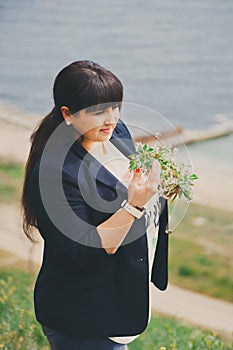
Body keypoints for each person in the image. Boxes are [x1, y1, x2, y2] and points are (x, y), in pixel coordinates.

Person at [21, 60, 169, 350]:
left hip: (119, 300)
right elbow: (81, 254)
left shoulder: (114, 131)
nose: (111, 119)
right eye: (98, 111)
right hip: (84, 317)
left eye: (115, 107)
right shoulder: (54, 173)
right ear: (67, 114)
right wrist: (133, 206)